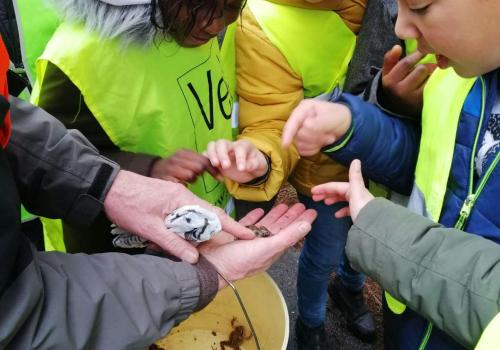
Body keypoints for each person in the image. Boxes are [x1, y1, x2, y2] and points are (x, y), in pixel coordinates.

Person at [0, 35, 317, 349]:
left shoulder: (214, 36)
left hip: (179, 229)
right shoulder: (75, 62)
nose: (214, 21)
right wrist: (207, 277)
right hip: (103, 253)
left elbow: (13, 128)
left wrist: (108, 184)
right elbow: (23, 318)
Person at [281, 0, 500, 348]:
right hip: (408, 317)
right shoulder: (462, 71)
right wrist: (355, 127)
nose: (399, 28)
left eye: (420, 6)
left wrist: (380, 226)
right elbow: (432, 162)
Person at [26, 0, 245, 253]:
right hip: (118, 258)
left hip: (200, 226)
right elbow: (49, 161)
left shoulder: (190, 29)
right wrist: (147, 168)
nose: (215, 25)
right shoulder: (81, 57)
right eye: (198, 4)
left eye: (231, 6)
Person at [314, 160, 500, 350]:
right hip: (407, 298)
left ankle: (344, 292)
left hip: (408, 266)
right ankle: (313, 320)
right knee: (324, 255)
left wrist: (376, 223)